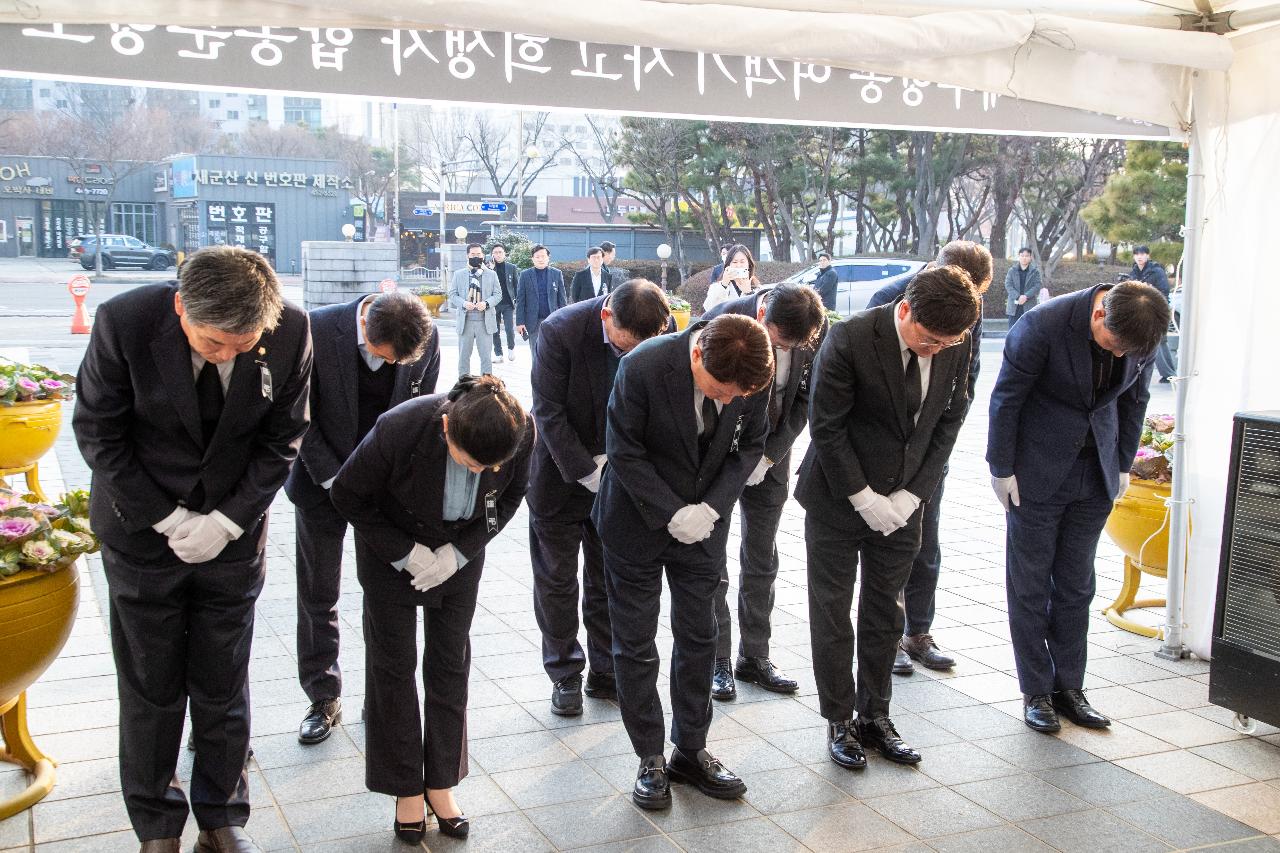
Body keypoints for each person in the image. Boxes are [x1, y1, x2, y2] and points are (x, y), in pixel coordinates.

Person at [73, 246, 312, 853]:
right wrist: (168, 516)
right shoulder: (124, 322)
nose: (228, 355)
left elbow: (283, 438)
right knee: (151, 685)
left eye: (242, 344)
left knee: (223, 677)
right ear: (181, 306)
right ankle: (156, 825)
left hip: (231, 539)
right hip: (140, 533)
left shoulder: (292, 331)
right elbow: (99, 433)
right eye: (212, 344)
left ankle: (221, 815)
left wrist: (228, 521)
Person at [330, 375, 534, 844]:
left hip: (458, 553)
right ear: (446, 429)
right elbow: (347, 494)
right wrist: (405, 553)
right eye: (470, 462)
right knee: (393, 667)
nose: (482, 472)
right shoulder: (400, 427)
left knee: (449, 662)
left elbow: (509, 499)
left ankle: (441, 782)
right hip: (393, 553)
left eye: (491, 466)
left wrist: (458, 554)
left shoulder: (521, 431)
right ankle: (404, 787)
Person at [797, 265, 978, 773]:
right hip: (838, 498)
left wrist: (912, 495)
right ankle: (839, 720)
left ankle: (876, 715)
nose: (936, 349)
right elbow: (825, 427)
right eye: (928, 339)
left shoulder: (955, 340)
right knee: (832, 612)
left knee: (885, 613)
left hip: (905, 501)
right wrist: (864, 497)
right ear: (905, 310)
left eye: (947, 342)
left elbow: (951, 417)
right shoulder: (851, 337)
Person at [593, 313, 774, 810]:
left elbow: (751, 446)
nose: (727, 401)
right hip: (636, 518)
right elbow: (623, 450)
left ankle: (690, 749)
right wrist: (671, 512)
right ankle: (649, 756)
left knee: (700, 636)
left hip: (704, 524)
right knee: (636, 642)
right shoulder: (643, 366)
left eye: (738, 395)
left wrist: (711, 508)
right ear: (696, 354)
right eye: (719, 390)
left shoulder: (753, 369)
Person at [988, 280, 1169, 734]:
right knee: (1029, 584)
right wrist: (1002, 467)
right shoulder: (1041, 326)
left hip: (1098, 471)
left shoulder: (1141, 329)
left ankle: (1070, 686)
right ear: (1098, 314)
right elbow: (1007, 397)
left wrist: (1123, 463)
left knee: (1076, 584)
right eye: (1113, 345)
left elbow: (1135, 399)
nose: (1120, 355)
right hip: (1037, 470)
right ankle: (1037, 690)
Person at [283, 290, 439, 746]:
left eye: (400, 363)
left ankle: (382, 694)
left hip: (383, 487)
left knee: (385, 594)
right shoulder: (313, 329)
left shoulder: (422, 339)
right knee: (318, 592)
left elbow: (419, 413)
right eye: (385, 358)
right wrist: (334, 479)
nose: (393, 368)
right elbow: (298, 416)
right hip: (320, 481)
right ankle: (323, 695)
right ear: (365, 330)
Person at [528, 279, 673, 716]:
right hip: (560, 473)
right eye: (622, 346)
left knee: (605, 575)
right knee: (556, 577)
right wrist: (589, 472)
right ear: (606, 316)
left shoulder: (658, 331)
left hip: (621, 475)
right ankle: (565, 672)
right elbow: (547, 412)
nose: (630, 357)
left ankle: (606, 669)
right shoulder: (560, 331)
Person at [866, 240, 993, 676]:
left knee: (925, 540)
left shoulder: (967, 311)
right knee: (887, 545)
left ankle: (918, 631)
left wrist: (935, 448)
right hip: (885, 450)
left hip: (931, 447)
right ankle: (888, 632)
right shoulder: (889, 299)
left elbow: (966, 384)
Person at [701, 283, 826, 700]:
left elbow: (806, 398)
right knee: (711, 557)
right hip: (721, 457)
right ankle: (717, 659)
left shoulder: (812, 329)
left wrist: (770, 455)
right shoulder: (720, 321)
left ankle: (754, 655)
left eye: (791, 345)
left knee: (762, 555)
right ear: (762, 317)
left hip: (772, 454)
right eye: (777, 341)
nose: (782, 349)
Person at [450, 243, 501, 376]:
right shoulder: (459, 274)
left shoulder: (491, 274)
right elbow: (452, 294)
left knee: (486, 358)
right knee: (463, 357)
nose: (476, 257)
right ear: (467, 255)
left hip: (485, 322)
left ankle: (486, 386)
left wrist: (487, 303)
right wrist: (463, 303)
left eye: (478, 254)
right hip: (465, 321)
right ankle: (463, 385)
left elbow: (498, 295)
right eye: (473, 254)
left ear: (483, 255)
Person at [1128, 244, 1176, 382]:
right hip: (1141, 310)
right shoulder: (1134, 271)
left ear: (1148, 255)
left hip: (1157, 310)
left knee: (1160, 341)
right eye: (1137, 254)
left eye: (1142, 254)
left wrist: (1147, 290)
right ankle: (1136, 371)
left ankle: (1169, 373)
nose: (1139, 257)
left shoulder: (1156, 271)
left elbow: (1163, 291)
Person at [516, 244, 568, 361]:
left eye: (543, 256)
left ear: (548, 257)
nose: (540, 259)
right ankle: (537, 378)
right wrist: (520, 322)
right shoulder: (525, 275)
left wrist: (565, 319)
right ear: (532, 259)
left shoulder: (556, 273)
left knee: (553, 352)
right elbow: (520, 300)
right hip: (533, 321)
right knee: (536, 353)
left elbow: (562, 299)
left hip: (553, 320)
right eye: (537, 257)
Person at [703, 244, 760, 311]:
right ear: (728, 264)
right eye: (735, 262)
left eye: (742, 262)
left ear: (749, 265)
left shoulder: (757, 288)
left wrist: (749, 293)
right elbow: (709, 309)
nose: (738, 265)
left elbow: (760, 312)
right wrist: (723, 285)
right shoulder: (716, 287)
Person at [490, 243, 520, 363]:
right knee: (494, 329)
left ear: (504, 254)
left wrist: (517, 300)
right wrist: (490, 269)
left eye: (500, 252)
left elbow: (516, 285)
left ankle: (511, 348)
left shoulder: (511, 267)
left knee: (509, 328)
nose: (498, 255)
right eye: (495, 253)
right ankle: (498, 354)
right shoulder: (488, 268)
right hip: (493, 304)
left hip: (508, 303)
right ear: (492, 255)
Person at [1004, 248, 1042, 328]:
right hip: (1014, 305)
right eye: (1022, 256)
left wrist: (1026, 296)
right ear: (1019, 257)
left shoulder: (1035, 271)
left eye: (1027, 256)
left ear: (1030, 257)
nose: (1024, 258)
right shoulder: (1012, 270)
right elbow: (1008, 285)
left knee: (1029, 330)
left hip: (1029, 304)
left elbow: (1037, 285)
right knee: (1013, 329)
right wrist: (1018, 296)